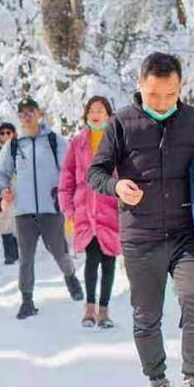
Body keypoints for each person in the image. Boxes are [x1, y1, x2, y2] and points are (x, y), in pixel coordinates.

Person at [87, 52, 194, 387]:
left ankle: (193, 385)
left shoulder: (192, 119)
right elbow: (95, 173)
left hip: (183, 231)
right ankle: (158, 385)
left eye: (170, 94)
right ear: (140, 87)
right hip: (141, 234)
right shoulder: (121, 123)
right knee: (147, 315)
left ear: (180, 88)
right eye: (154, 94)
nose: (162, 102)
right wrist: (117, 186)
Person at [0, 98, 85, 319]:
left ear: (39, 113)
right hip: (24, 212)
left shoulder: (54, 141)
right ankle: (26, 300)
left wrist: (66, 193)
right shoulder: (14, 145)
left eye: (30, 112)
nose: (26, 116)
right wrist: (2, 189)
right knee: (26, 258)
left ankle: (70, 276)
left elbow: (71, 169)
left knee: (59, 252)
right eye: (22, 113)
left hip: (51, 209)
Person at [60, 96, 122, 329]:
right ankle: (89, 309)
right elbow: (66, 177)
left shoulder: (117, 142)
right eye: (92, 110)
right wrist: (68, 208)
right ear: (86, 115)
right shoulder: (77, 143)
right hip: (85, 211)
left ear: (109, 115)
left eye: (100, 110)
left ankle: (104, 311)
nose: (96, 114)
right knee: (92, 259)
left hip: (110, 211)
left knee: (109, 261)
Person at [0, 122, 20, 265]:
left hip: (18, 187)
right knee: (4, 222)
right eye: (2, 133)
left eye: (8, 133)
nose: (5, 135)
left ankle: (20, 252)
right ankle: (9, 255)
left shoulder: (20, 149)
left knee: (18, 222)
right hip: (2, 189)